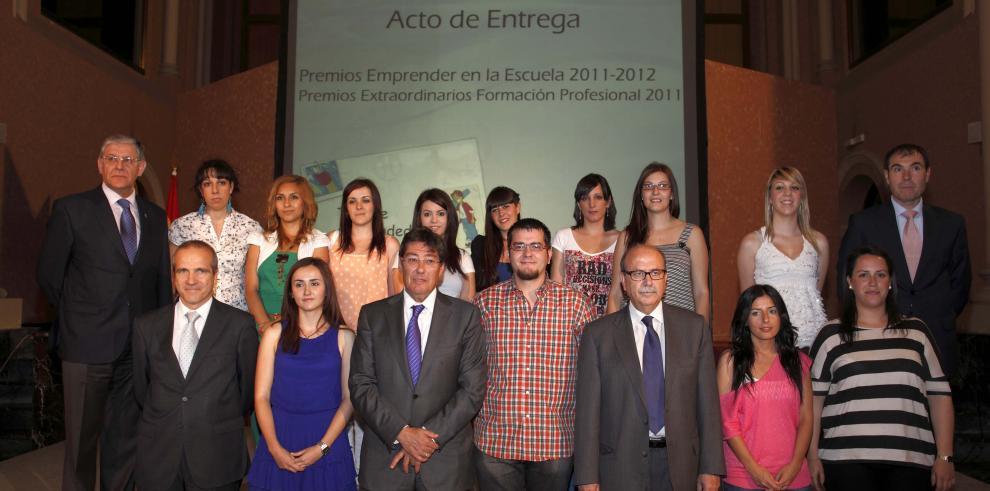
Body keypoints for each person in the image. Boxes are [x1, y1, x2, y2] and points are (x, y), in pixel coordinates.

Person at [37, 134, 172, 491]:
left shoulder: (155, 217)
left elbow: (159, 280)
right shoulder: (72, 209)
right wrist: (79, 320)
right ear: (99, 164)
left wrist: (157, 341)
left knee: (125, 440)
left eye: (128, 160)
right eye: (112, 158)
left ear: (140, 168)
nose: (119, 165)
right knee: (81, 443)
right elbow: (50, 278)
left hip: (136, 348)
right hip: (86, 347)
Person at [575, 244, 723, 491]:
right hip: (619, 467)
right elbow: (588, 414)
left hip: (682, 465)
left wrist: (711, 467)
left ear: (665, 279)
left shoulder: (694, 329)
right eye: (638, 273)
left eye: (655, 273)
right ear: (623, 281)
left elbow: (708, 404)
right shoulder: (598, 335)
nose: (647, 281)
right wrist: (587, 477)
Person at [349, 227, 487, 490]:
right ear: (401, 264)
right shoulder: (372, 315)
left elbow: (472, 390)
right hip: (385, 462)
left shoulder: (465, 316)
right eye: (412, 259)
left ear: (441, 268)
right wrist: (401, 433)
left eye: (429, 260)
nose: (420, 268)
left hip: (445, 464)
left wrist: (425, 441)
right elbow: (360, 384)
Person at [809, 246, 955, 491]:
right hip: (845, 461)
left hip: (911, 460)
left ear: (890, 282)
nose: (873, 282)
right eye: (863, 274)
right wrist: (812, 455)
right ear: (850, 282)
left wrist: (945, 457)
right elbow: (813, 403)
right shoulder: (830, 335)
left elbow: (940, 397)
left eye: (881, 274)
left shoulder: (916, 332)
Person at [473, 218, 595, 491]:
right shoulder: (483, 303)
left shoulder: (577, 304)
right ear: (508, 252)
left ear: (549, 254)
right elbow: (469, 370)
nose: (528, 253)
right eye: (519, 246)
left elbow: (592, 377)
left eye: (536, 246)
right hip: (495, 444)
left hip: (554, 442)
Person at [132, 240, 258, 490]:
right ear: (173, 276)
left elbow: (247, 392)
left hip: (217, 456)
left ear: (215, 275)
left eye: (200, 270)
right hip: (159, 455)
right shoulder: (145, 326)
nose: (191, 280)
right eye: (183, 271)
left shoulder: (240, 325)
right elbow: (141, 389)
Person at [836, 143, 970, 377]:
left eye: (915, 168)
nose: (907, 176)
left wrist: (940, 313)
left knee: (937, 411)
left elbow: (960, 283)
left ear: (927, 174)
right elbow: (845, 280)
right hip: (879, 336)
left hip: (936, 338)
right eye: (898, 169)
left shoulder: (951, 224)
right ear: (887, 177)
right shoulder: (864, 223)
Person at [247, 258, 357, 490]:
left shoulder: (345, 337)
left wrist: (322, 447)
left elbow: (349, 400)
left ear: (327, 289)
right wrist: (274, 448)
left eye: (314, 283)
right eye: (299, 284)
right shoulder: (273, 334)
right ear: (290, 293)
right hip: (279, 441)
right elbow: (261, 397)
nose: (307, 291)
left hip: (328, 441)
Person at [716, 285, 812, 491]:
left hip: (794, 476)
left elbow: (806, 417)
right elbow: (727, 422)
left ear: (781, 316)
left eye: (772, 311)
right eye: (756, 313)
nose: (765, 320)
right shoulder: (730, 362)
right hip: (743, 476)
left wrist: (795, 465)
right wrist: (754, 469)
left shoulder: (798, 361)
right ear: (746, 320)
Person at [607, 163, 710, 324]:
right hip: (635, 330)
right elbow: (615, 293)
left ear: (671, 194)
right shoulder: (627, 237)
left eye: (662, 186)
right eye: (648, 186)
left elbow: (701, 292)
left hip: (681, 330)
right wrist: (611, 336)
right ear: (641, 194)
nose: (655, 192)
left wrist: (700, 336)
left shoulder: (692, 234)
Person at [737, 167, 828, 349]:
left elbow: (816, 293)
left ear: (801, 196)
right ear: (770, 197)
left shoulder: (819, 243)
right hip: (770, 344)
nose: (787, 193)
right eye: (779, 187)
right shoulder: (752, 243)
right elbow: (747, 304)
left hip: (813, 343)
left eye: (794, 187)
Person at [168, 159, 262, 311]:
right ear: (200, 190)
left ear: (231, 187)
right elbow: (171, 277)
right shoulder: (182, 226)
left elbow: (256, 281)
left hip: (237, 315)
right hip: (193, 313)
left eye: (221, 182)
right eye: (207, 184)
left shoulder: (251, 228)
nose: (215, 190)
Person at [245, 175, 330, 331]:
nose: (286, 204)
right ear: (274, 204)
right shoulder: (258, 240)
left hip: (301, 328)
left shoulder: (319, 242)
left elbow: (318, 292)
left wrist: (286, 325)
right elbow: (251, 289)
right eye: (280, 198)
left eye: (294, 197)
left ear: (305, 203)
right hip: (260, 328)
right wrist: (265, 325)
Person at [328, 178, 400, 332]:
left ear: (375, 206)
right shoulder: (331, 240)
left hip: (376, 331)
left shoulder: (389, 244)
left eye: (366, 200)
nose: (359, 206)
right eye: (352, 201)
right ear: (346, 209)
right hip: (335, 330)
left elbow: (395, 294)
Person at [551, 173, 620, 319]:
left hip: (609, 324)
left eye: (598, 197)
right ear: (578, 204)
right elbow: (555, 289)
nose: (592, 204)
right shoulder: (564, 236)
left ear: (608, 202)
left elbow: (621, 290)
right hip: (570, 323)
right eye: (585, 198)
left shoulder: (621, 239)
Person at [412, 189, 476, 300]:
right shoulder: (406, 254)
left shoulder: (462, 256)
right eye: (427, 214)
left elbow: (468, 307)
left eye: (440, 214)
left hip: (455, 316)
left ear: (449, 217)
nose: (434, 220)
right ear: (419, 218)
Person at [470, 186, 521, 292]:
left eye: (506, 206)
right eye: (495, 210)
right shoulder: (480, 246)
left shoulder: (534, 243)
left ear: (518, 207)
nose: (501, 213)